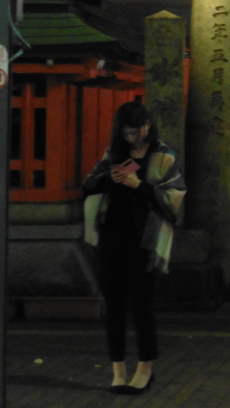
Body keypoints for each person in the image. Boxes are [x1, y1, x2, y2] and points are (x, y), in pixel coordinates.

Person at [82, 101, 186, 395]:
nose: (131, 139)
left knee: (141, 305)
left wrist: (138, 185)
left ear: (147, 125)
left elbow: (174, 198)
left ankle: (145, 368)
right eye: (125, 134)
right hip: (112, 235)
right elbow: (88, 185)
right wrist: (108, 178)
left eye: (135, 132)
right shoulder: (114, 154)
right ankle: (117, 369)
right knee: (113, 304)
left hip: (145, 240)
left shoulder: (164, 156)